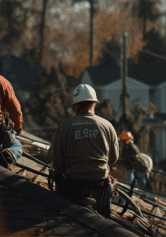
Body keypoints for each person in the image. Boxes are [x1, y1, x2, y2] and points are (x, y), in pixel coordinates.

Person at [50, 84, 120, 218]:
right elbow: (113, 158)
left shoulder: (65, 126)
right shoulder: (107, 125)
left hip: (73, 187)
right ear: (94, 104)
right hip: (100, 187)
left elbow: (58, 160)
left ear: (75, 106)